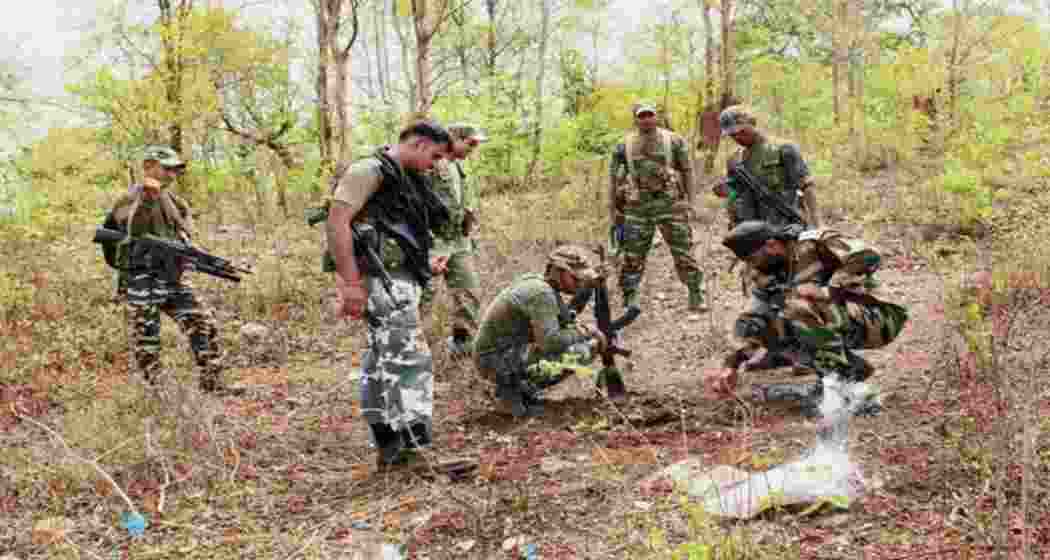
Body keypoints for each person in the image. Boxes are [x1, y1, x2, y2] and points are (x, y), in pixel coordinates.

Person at [326, 120, 454, 468]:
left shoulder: (403, 178)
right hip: (379, 280)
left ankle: (390, 447)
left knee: (382, 360)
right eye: (435, 155)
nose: (436, 164)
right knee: (409, 358)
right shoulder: (369, 170)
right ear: (418, 143)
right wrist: (350, 282)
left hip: (396, 278)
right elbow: (337, 220)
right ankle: (416, 448)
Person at [706, 221, 908, 416]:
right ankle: (844, 374)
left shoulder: (812, 244)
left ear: (772, 245)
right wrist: (732, 363)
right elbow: (758, 319)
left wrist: (829, 290)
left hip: (873, 318)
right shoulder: (762, 273)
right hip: (822, 319)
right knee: (753, 325)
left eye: (752, 259)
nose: (751, 265)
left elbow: (869, 256)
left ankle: (848, 389)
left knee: (798, 306)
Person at [100, 145, 231, 393]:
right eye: (167, 168)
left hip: (173, 278)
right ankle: (156, 394)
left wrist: (193, 254)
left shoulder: (176, 202)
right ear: (148, 167)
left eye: (176, 170)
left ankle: (213, 383)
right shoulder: (130, 198)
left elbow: (187, 237)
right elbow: (135, 230)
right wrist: (147, 200)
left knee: (203, 323)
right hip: (141, 280)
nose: (172, 174)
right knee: (147, 340)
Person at [473, 245, 609, 418]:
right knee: (580, 353)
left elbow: (563, 320)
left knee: (578, 348)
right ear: (559, 272)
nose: (579, 284)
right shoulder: (542, 294)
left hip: (501, 354)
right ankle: (509, 394)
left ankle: (519, 389)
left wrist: (589, 287)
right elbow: (550, 342)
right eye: (576, 279)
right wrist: (586, 332)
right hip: (495, 360)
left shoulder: (540, 284)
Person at [609, 102, 706, 314]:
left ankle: (696, 293)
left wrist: (691, 201)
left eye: (649, 115)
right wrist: (614, 210)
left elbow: (688, 170)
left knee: (684, 251)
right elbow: (614, 181)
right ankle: (630, 296)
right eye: (641, 116)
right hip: (637, 207)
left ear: (656, 116)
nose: (646, 119)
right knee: (632, 255)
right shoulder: (623, 145)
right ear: (635, 119)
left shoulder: (673, 140)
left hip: (670, 205)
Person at [423, 123, 489, 357]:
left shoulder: (460, 167)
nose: (473, 149)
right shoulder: (429, 164)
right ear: (454, 139)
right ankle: (411, 345)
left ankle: (463, 344)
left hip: (459, 239)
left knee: (468, 292)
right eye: (470, 143)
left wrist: (469, 217)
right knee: (424, 295)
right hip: (434, 240)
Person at [718, 104, 821, 229]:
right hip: (751, 230)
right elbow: (733, 195)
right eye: (732, 135)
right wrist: (731, 207)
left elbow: (806, 186)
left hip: (787, 225)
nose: (738, 137)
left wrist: (818, 224)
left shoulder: (783, 149)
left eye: (741, 131)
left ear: (751, 123)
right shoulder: (734, 160)